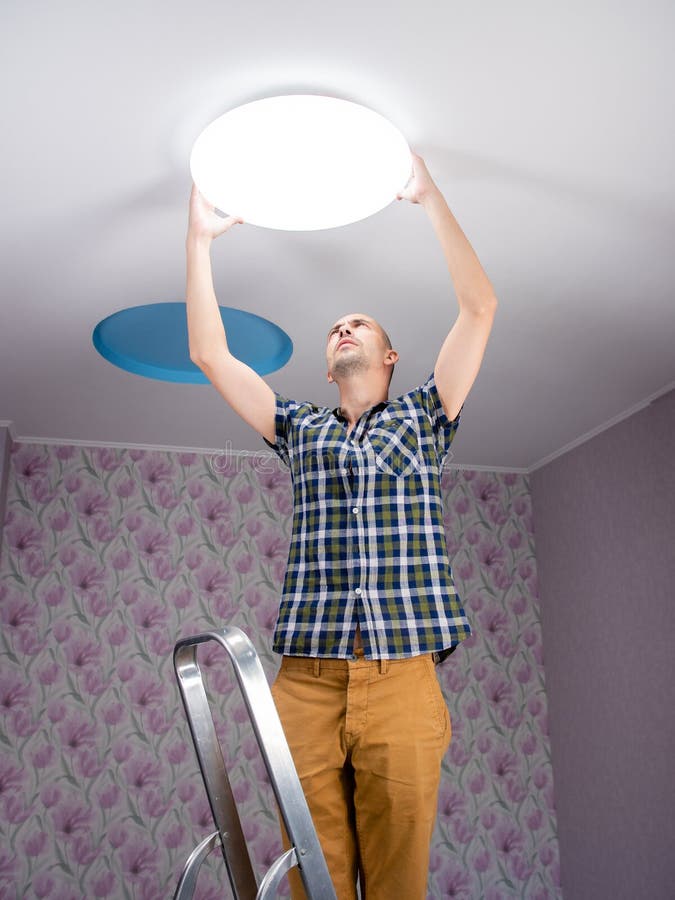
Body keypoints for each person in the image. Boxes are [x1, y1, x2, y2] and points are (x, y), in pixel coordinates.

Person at [186, 152, 498, 899]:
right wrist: (197, 241)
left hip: (404, 675)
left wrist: (427, 196)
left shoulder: (427, 417)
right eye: (334, 328)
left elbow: (480, 307)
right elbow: (208, 352)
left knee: (397, 882)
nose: (343, 326)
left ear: (388, 357)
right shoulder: (298, 428)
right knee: (310, 878)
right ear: (330, 368)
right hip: (308, 678)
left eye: (358, 323)